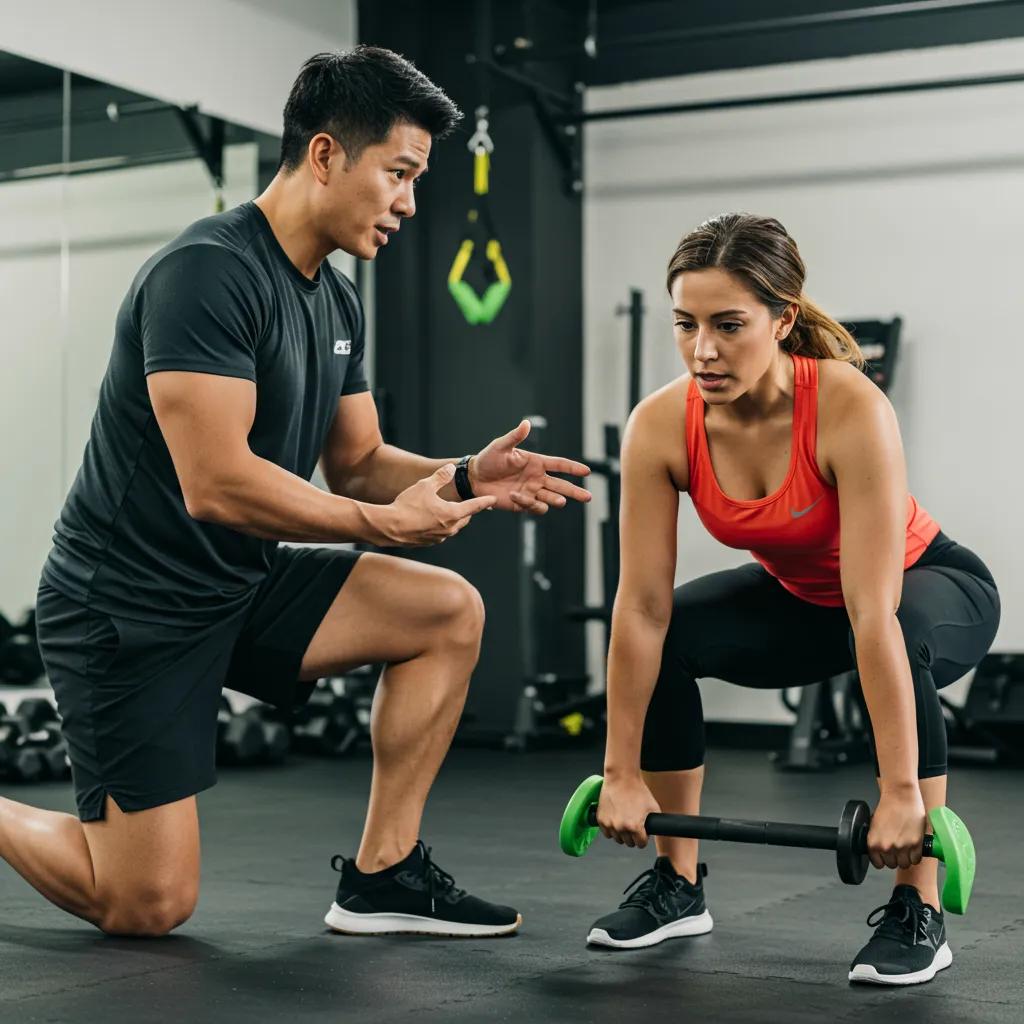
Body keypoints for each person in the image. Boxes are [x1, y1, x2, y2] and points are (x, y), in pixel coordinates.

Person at [0, 46, 590, 939]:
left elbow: (356, 462)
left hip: (238, 585)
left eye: (418, 178)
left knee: (445, 613)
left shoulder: (336, 300)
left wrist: (467, 474)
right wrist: (382, 522)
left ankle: (383, 875)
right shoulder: (205, 273)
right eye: (398, 173)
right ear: (324, 155)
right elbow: (217, 482)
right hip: (128, 608)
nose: (409, 202)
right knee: (147, 905)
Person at [587, 213, 999, 986]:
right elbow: (639, 607)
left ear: (783, 319)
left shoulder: (848, 407)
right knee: (669, 630)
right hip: (808, 601)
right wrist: (619, 770)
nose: (703, 349)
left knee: (897, 625)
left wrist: (900, 794)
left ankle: (921, 905)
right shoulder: (661, 425)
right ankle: (679, 883)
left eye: (729, 325)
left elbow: (872, 612)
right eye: (686, 324)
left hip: (930, 589)